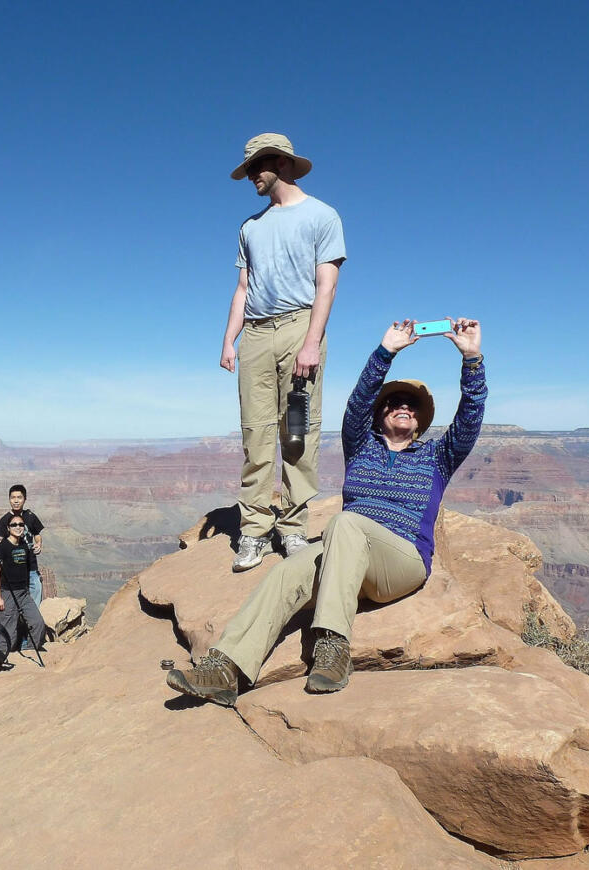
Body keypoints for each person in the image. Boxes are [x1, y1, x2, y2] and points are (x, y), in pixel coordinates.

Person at [170, 318, 486, 703]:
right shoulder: (362, 446)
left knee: (347, 522)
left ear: (421, 421)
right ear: (379, 415)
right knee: (285, 575)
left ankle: (333, 647)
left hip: (400, 563)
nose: (402, 407)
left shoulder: (437, 457)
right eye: (393, 402)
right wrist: (385, 352)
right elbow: (357, 404)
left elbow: (470, 417)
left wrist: (471, 358)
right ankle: (225, 670)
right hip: (347, 559)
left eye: (411, 405)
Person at [221, 133, 347, 570]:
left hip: (299, 326)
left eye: (259, 165)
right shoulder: (249, 227)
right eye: (250, 168)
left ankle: (293, 528)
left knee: (297, 433)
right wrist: (229, 340)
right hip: (255, 334)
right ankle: (254, 531)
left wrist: (312, 342)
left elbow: (326, 285)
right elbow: (242, 288)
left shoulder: (322, 216)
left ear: (283, 164)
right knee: (255, 435)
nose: (253, 175)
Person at [0, 518, 47, 658]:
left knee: (37, 623)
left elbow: (27, 569)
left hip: (23, 593)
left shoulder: (24, 546)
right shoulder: (2, 547)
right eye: (14, 525)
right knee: (8, 631)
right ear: (8, 528)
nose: (18, 527)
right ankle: (0, 658)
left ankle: (30, 651)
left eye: (21, 524)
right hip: (8, 593)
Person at [0, 484, 45, 605]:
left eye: (19, 497)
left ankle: (32, 622)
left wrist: (39, 543)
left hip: (31, 566)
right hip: (14, 568)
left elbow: (37, 534)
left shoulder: (31, 516)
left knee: (36, 594)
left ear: (25, 499)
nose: (16, 500)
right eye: (13, 497)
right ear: (9, 499)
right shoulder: (4, 520)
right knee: (15, 601)